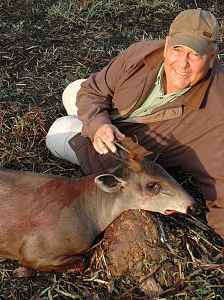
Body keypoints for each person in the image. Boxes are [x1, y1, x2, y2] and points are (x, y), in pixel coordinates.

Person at [46, 9, 224, 240]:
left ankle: (80, 129)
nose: (182, 63)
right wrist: (99, 123)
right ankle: (90, 122)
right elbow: (94, 89)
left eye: (195, 55)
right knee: (74, 89)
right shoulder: (143, 53)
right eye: (177, 49)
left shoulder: (217, 113)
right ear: (167, 43)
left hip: (123, 155)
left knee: (57, 130)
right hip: (111, 123)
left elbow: (220, 179)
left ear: (212, 57)